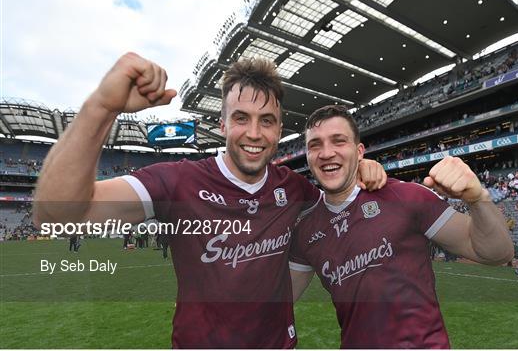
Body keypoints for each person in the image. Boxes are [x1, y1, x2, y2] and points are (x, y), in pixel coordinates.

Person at [32, 53, 386, 348]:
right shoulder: (177, 182)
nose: (253, 133)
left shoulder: (293, 189)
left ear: (279, 131)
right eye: (241, 118)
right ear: (221, 124)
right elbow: (56, 216)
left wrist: (361, 167)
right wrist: (101, 107)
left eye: (267, 121)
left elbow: (339, 196)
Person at [289, 105, 514, 348]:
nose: (326, 153)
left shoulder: (405, 196)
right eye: (315, 145)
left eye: (338, 141)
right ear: (309, 157)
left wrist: (477, 197)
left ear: (359, 151)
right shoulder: (306, 231)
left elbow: (496, 254)